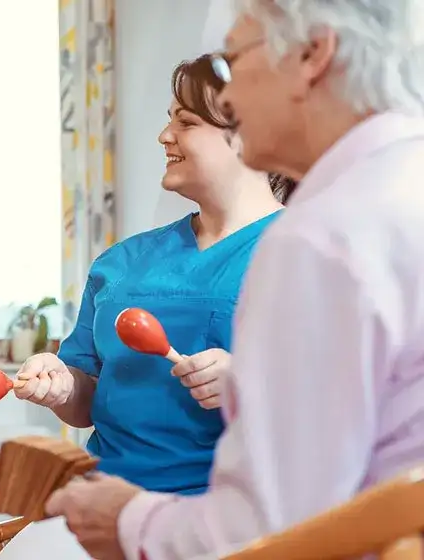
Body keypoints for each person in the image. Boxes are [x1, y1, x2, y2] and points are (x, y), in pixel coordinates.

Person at [44, 2, 424, 559]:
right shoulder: (400, 187)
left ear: (313, 53)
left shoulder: (321, 235)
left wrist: (127, 520)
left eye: (234, 60)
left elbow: (263, 531)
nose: (227, 97)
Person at [15, 54, 294, 496]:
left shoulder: (304, 254)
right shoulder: (121, 262)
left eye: (186, 122)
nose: (165, 136)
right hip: (105, 499)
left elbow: (344, 406)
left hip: (227, 512)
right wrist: (61, 386)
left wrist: (252, 386)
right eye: (169, 121)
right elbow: (85, 400)